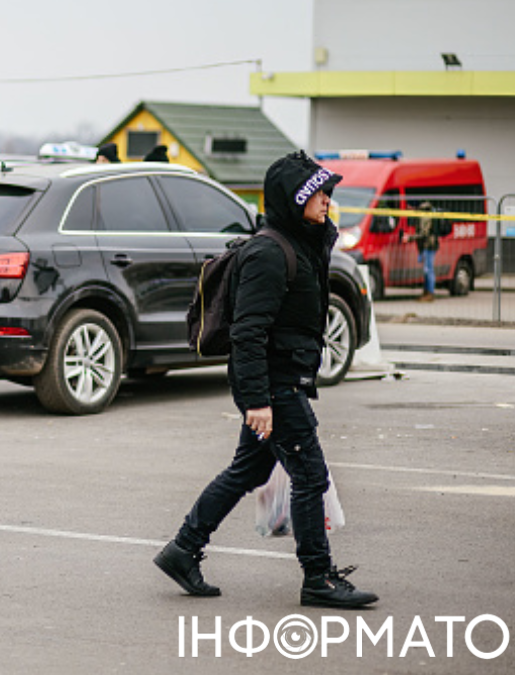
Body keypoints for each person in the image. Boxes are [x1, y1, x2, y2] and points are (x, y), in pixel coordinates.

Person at [153, 150, 378, 609]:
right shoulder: (268, 253)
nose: (327, 200)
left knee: (248, 470)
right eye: (318, 192)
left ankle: (182, 549)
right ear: (295, 199)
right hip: (273, 385)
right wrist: (258, 400)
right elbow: (248, 332)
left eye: (329, 191)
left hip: (282, 379)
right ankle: (318, 577)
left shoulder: (303, 240)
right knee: (310, 476)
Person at [402, 201, 438, 302]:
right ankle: (426, 292)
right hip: (426, 246)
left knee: (428, 270)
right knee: (426, 270)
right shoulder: (424, 214)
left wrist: (409, 238)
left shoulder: (424, 216)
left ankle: (430, 293)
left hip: (428, 246)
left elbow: (423, 234)